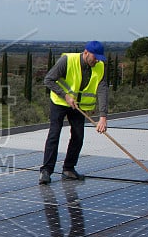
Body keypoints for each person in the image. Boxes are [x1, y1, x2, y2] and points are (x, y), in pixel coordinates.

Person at [39, 41, 108, 184]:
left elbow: (102, 90)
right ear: (86, 52)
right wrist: (65, 96)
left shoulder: (99, 66)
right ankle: (46, 171)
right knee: (54, 133)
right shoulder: (67, 60)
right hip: (59, 102)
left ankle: (68, 169)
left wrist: (103, 117)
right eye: (95, 57)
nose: (97, 61)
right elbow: (48, 80)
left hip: (78, 105)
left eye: (99, 58)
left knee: (78, 135)